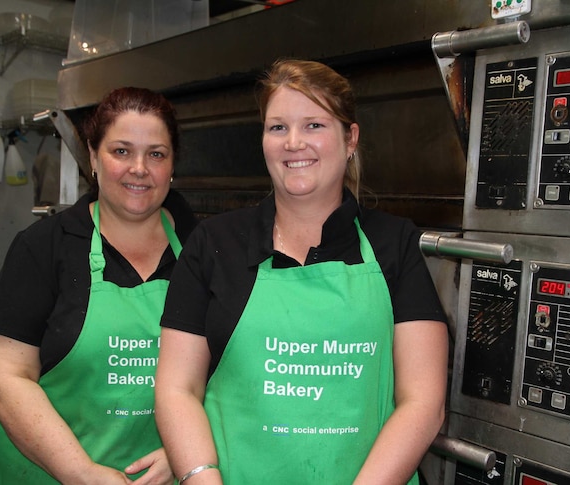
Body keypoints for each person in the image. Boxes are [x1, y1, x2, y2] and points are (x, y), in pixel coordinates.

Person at [155, 59, 449, 484]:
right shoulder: (214, 245)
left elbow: (423, 401)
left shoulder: (394, 244)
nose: (294, 142)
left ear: (350, 139)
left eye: (314, 125)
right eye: (278, 127)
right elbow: (176, 389)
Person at [0, 86, 197, 484]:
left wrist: (187, 451)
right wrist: (80, 473)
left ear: (172, 166)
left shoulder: (203, 252)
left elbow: (228, 371)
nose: (139, 168)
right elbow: (4, 375)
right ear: (94, 158)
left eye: (156, 154)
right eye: (121, 151)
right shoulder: (44, 247)